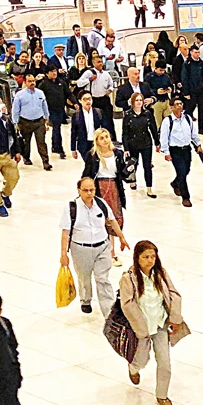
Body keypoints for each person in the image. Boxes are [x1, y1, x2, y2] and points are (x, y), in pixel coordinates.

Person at [120, 241, 188, 405]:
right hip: (141, 329)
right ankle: (133, 368)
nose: (150, 260)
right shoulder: (128, 278)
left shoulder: (160, 274)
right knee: (141, 359)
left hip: (160, 325)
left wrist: (175, 318)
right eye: (145, 257)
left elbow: (174, 294)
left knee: (165, 362)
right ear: (137, 258)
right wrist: (139, 327)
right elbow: (127, 304)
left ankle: (162, 394)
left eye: (153, 256)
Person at [60, 176, 127, 316]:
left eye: (92, 190)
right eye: (86, 190)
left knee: (102, 278)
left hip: (102, 246)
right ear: (79, 190)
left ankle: (109, 311)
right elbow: (65, 232)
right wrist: (63, 254)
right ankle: (85, 300)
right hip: (81, 249)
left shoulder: (101, 204)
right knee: (84, 277)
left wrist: (121, 237)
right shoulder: (71, 207)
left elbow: (112, 220)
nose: (89, 193)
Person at [81, 128, 131, 263]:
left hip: (114, 187)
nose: (105, 140)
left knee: (114, 217)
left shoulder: (118, 154)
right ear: (96, 140)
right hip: (99, 188)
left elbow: (122, 173)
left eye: (106, 137)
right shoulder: (92, 155)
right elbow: (87, 174)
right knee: (100, 218)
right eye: (101, 138)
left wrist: (129, 169)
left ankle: (112, 250)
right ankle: (105, 250)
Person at [160, 98, 203, 208]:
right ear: (171, 107)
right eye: (176, 104)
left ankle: (175, 183)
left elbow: (193, 134)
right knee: (181, 172)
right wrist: (166, 152)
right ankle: (186, 197)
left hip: (186, 149)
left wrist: (198, 144)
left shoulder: (187, 119)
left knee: (186, 170)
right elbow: (164, 138)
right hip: (175, 150)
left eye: (180, 103)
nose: (179, 106)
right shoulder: (168, 121)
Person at [122, 93, 159, 198]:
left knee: (147, 166)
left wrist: (157, 142)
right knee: (133, 164)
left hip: (146, 143)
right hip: (132, 143)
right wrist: (126, 148)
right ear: (133, 102)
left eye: (140, 100)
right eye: (136, 100)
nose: (139, 102)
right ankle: (133, 181)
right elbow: (125, 133)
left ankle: (149, 188)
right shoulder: (128, 115)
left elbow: (153, 128)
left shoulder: (147, 114)